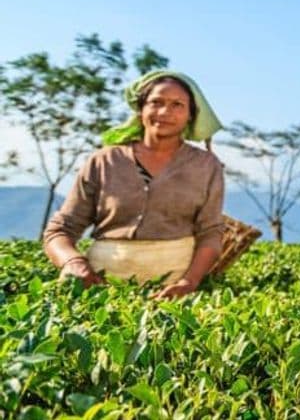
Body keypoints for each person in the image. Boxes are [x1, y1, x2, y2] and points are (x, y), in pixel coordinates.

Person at [42, 71, 225, 299]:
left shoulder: (206, 165)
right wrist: (73, 262)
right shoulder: (104, 160)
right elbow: (60, 230)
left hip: (174, 286)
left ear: (191, 115)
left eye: (177, 105)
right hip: (99, 285)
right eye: (156, 102)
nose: (164, 112)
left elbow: (211, 233)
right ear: (141, 110)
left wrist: (188, 282)